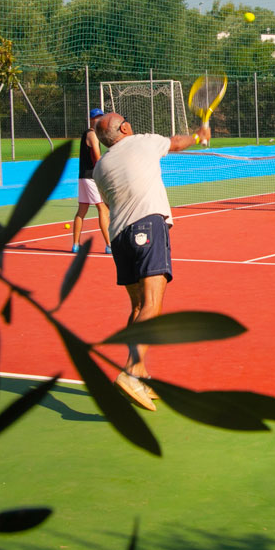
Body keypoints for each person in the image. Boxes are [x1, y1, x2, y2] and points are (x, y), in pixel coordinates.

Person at [92, 112, 210, 411]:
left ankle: (140, 372)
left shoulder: (100, 168)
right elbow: (176, 143)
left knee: (136, 307)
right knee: (152, 305)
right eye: (126, 120)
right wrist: (199, 135)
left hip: (119, 239)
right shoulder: (142, 143)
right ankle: (132, 372)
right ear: (125, 128)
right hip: (147, 227)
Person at [71, 108, 111, 254]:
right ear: (90, 119)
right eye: (96, 118)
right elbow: (97, 157)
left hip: (83, 176)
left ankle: (75, 245)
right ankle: (109, 245)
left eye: (101, 117)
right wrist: (102, 172)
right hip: (91, 177)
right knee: (103, 209)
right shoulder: (92, 135)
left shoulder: (87, 134)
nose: (99, 119)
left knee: (82, 209)